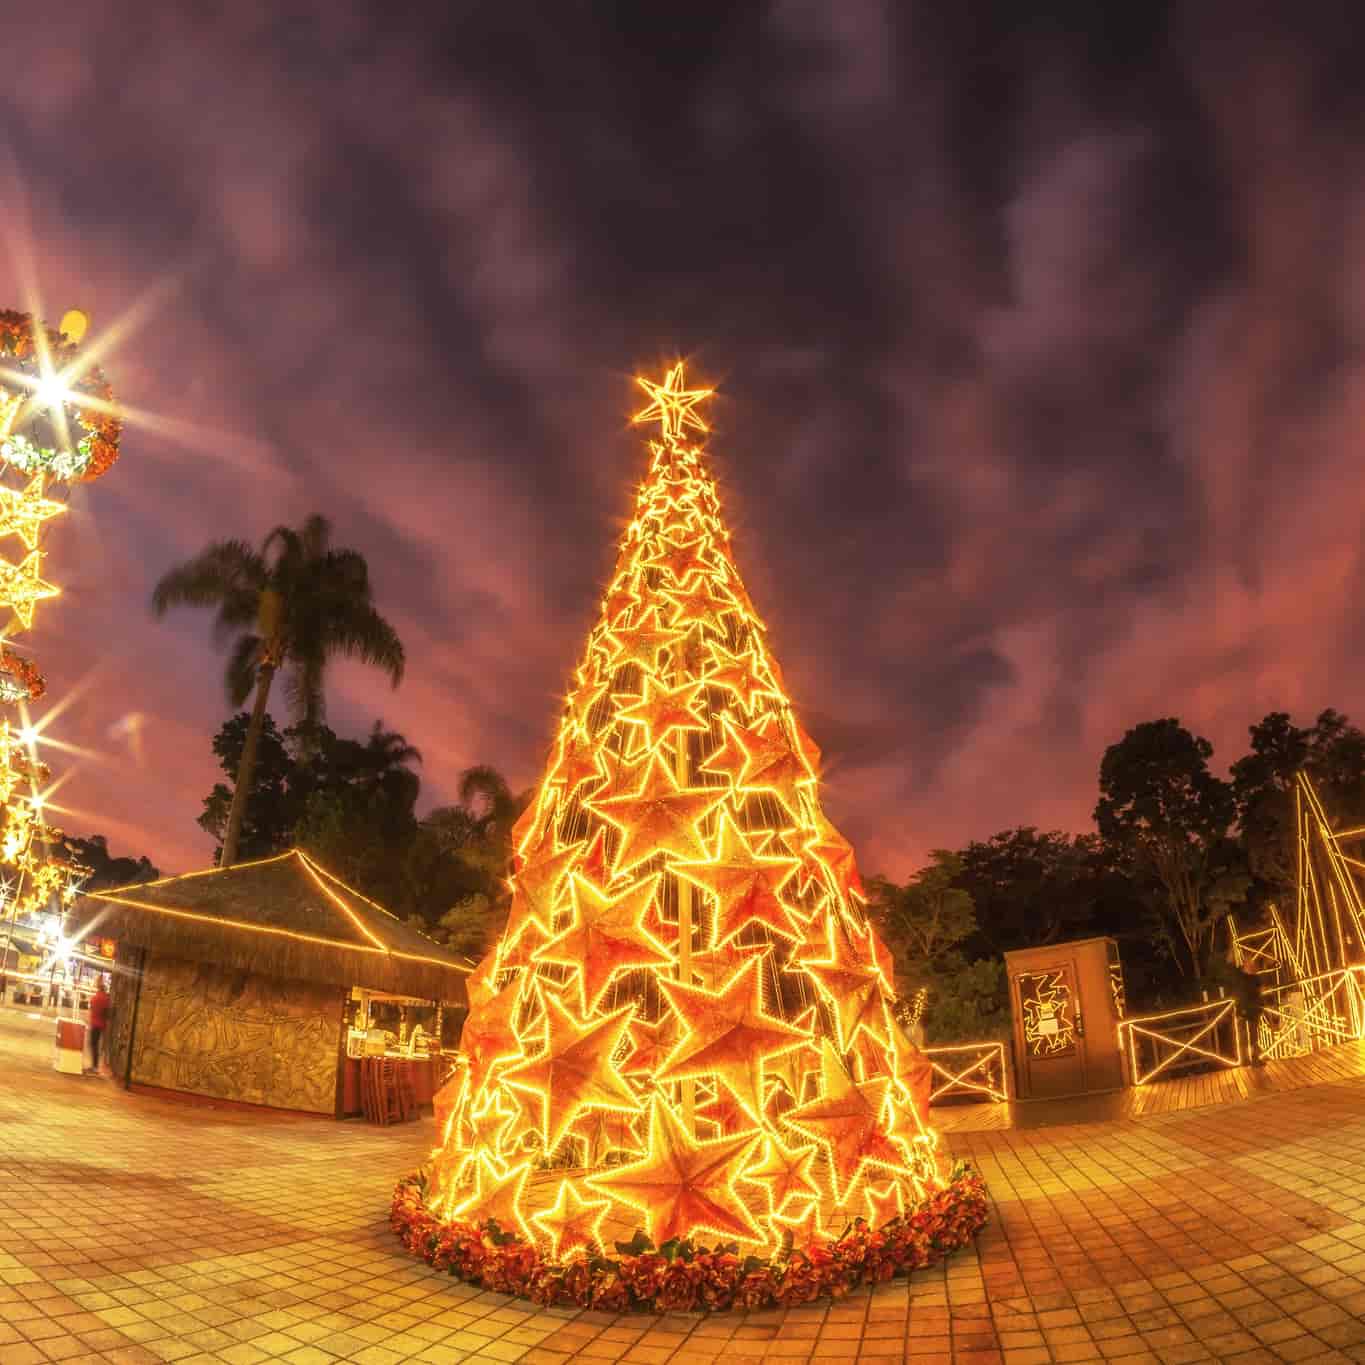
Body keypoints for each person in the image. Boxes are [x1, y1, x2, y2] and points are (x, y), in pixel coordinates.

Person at [86, 977, 111, 1076]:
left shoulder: (95, 998)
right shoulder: (107, 999)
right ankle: (96, 1066)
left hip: (95, 1024)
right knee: (98, 1045)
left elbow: (92, 1008)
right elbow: (107, 1012)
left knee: (93, 1044)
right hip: (102, 1024)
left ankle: (95, 1067)